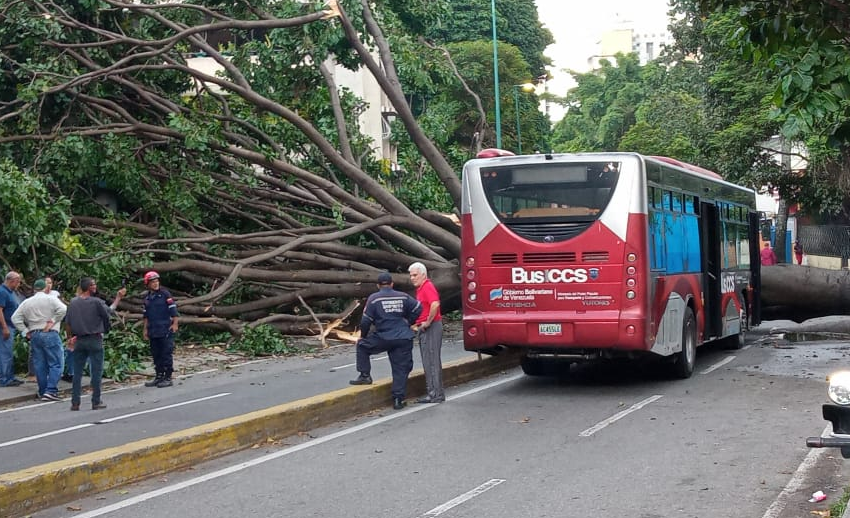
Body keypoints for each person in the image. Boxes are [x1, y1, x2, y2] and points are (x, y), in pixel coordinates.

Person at [350, 272, 422, 410]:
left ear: (378, 285)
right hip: (403, 337)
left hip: (383, 337)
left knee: (362, 346)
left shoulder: (374, 298)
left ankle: (365, 375)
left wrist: (363, 336)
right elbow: (418, 308)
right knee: (400, 369)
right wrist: (408, 321)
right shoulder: (403, 296)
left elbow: (365, 321)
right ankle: (397, 400)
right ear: (392, 284)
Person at [11, 278, 67, 400]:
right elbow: (63, 309)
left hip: (34, 333)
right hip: (50, 332)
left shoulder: (27, 302)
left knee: (40, 364)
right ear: (45, 288)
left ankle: (43, 390)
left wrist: (25, 332)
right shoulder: (51, 299)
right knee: (56, 363)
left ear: (34, 289)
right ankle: (51, 390)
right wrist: (52, 321)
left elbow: (15, 318)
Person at [65, 277, 112, 411]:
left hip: (79, 339)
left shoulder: (73, 303)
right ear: (90, 287)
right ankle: (96, 401)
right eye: (94, 285)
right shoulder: (96, 302)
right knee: (96, 371)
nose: (95, 287)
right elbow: (106, 316)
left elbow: (67, 322)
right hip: (95, 338)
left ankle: (75, 402)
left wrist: (70, 338)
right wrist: (105, 329)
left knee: (77, 372)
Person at [409, 262, 444, 404]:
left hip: (431, 327)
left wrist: (428, 322)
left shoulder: (427, 286)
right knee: (428, 360)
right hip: (424, 327)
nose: (412, 278)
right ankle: (433, 392)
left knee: (432, 361)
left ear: (423, 274)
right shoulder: (421, 288)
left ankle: (436, 393)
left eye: (415, 275)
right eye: (411, 275)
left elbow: (435, 303)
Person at [142, 271, 178, 388]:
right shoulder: (147, 298)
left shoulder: (165, 294)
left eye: (157, 281)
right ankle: (159, 376)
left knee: (166, 353)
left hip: (165, 328)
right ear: (147, 284)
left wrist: (175, 323)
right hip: (153, 330)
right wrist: (145, 330)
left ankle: (168, 377)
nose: (155, 284)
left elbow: (173, 310)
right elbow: (146, 316)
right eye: (152, 282)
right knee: (156, 354)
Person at [0, 271, 23, 387]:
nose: (18, 284)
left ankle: (9, 376)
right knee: (5, 353)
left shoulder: (10, 292)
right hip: (5, 326)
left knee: (8, 353)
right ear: (12, 281)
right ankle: (4, 379)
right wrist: (4, 328)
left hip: (11, 325)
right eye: (18, 282)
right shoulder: (3, 292)